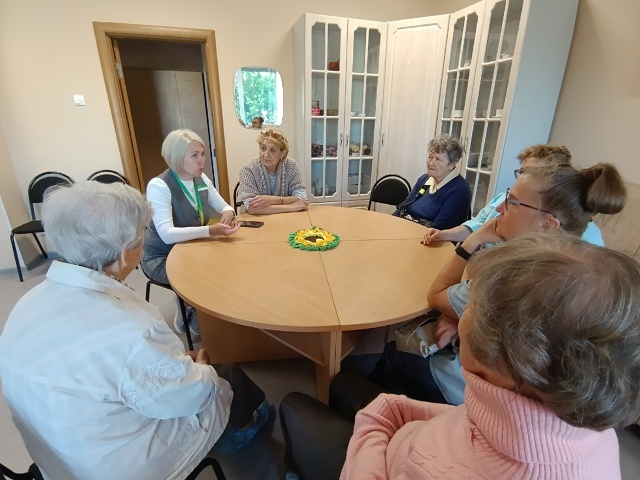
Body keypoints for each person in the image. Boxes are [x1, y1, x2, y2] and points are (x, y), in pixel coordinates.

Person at [280, 233, 640, 480]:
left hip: (392, 458)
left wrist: (376, 424)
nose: (459, 313)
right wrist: (393, 410)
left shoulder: (439, 469)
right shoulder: (595, 431)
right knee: (343, 381)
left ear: (498, 352)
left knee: (294, 404)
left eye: (471, 306)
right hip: (424, 437)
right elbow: (466, 422)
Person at [0, 182, 270, 480]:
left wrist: (170, 364)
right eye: (143, 234)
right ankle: (249, 428)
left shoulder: (25, 305)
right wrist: (201, 367)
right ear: (123, 253)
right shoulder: (131, 328)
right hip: (122, 466)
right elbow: (188, 396)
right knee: (223, 376)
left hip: (56, 460)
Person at [372, 162, 627, 406]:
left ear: (548, 225)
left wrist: (473, 241)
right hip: (525, 398)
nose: (500, 208)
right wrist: (458, 314)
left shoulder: (510, 276)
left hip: (473, 391)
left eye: (513, 202)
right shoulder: (574, 275)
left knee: (393, 354)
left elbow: (436, 296)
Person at [142, 128, 239, 336]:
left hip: (192, 249)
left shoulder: (201, 179)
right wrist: (211, 230)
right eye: (194, 155)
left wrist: (228, 214)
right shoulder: (159, 185)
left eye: (202, 154)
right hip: (161, 256)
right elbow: (167, 234)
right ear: (177, 157)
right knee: (202, 276)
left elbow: (225, 206)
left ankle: (210, 309)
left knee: (228, 264)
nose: (202, 160)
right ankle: (187, 308)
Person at [421, 143, 606, 246]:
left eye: (529, 173)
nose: (522, 178)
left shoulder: (584, 235)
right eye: (521, 171)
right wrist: (444, 234)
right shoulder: (503, 198)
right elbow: (477, 224)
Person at [393, 134, 471, 229]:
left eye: (438, 159)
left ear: (452, 164)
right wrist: (391, 222)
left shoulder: (460, 190)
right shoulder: (424, 179)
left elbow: (439, 227)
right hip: (409, 229)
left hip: (431, 236)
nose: (431, 163)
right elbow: (403, 208)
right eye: (430, 157)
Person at [238, 128, 309, 214]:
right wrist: (291, 206)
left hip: (286, 218)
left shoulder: (291, 165)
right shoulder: (248, 169)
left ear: (282, 153)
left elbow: (301, 198)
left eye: (273, 150)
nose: (266, 154)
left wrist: (273, 200)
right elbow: (252, 208)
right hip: (256, 219)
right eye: (263, 148)